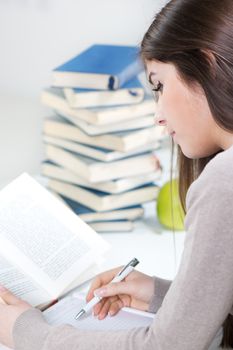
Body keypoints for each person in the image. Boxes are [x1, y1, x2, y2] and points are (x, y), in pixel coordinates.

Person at [0, 0, 233, 349]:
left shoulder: (224, 179)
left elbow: (167, 347)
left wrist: (27, 332)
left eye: (159, 86)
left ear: (206, 66)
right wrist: (160, 294)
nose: (158, 115)